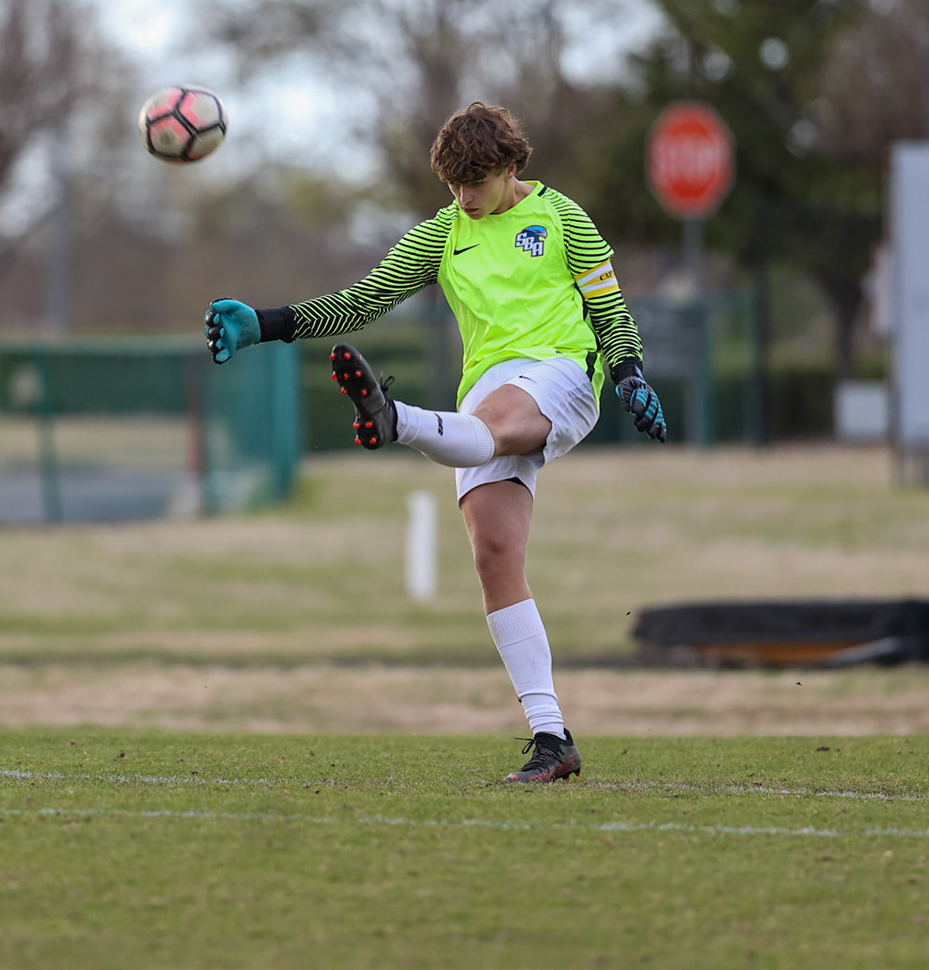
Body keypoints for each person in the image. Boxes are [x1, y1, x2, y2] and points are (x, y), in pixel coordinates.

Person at [205, 101, 667, 784]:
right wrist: (266, 324)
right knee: (494, 555)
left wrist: (627, 374)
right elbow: (361, 302)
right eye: (451, 185)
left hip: (563, 373)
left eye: (474, 183)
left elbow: (610, 310)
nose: (463, 198)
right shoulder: (441, 236)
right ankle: (552, 739)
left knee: (499, 422)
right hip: (482, 394)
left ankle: (399, 423)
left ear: (511, 166)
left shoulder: (563, 218)